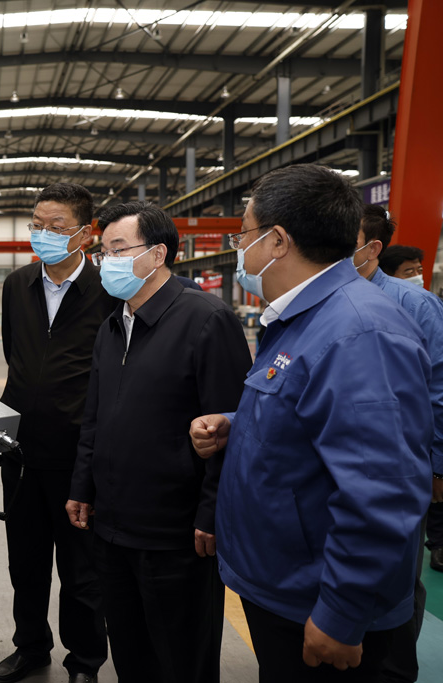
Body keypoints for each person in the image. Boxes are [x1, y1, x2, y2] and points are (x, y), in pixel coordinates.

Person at [190, 164, 432, 682]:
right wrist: (240, 422)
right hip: (284, 586)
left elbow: (382, 489)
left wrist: (342, 612)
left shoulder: (358, 333)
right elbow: (312, 411)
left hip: (319, 601)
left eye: (244, 234)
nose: (240, 248)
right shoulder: (304, 317)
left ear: (278, 241)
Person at [66, 201, 252, 683]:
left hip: (176, 535)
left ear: (157, 254)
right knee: (131, 654)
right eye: (103, 252)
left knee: (181, 659)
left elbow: (234, 430)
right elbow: (95, 417)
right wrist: (83, 486)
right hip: (112, 527)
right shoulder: (113, 324)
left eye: (118, 249)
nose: (106, 261)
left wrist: (212, 513)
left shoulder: (207, 320)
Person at [0, 183, 116, 683]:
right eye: (36, 225)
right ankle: (30, 647)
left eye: (56, 226)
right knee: (24, 563)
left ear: (85, 234)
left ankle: (84, 660)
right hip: (21, 452)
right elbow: (15, 356)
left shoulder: (108, 290)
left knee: (81, 569)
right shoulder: (17, 285)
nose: (42, 234)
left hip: (78, 458)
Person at [353, 204, 443, 682]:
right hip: (351, 463)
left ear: (372, 248)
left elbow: (439, 390)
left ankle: (395, 665)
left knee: (399, 576)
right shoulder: (330, 299)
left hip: (404, 464)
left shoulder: (415, 305)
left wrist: (438, 464)